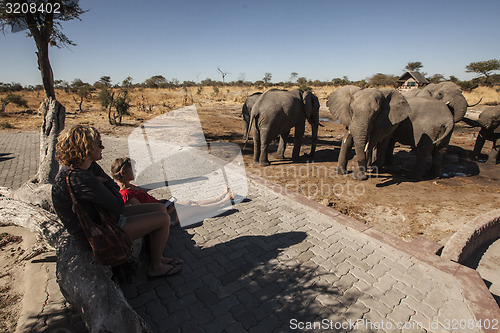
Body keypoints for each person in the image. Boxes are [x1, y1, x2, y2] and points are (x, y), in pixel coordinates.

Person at [51, 125, 182, 279]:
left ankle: (158, 258)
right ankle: (155, 267)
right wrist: (103, 185)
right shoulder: (79, 178)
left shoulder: (88, 167)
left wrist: (103, 185)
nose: (103, 147)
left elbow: (112, 186)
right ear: (86, 148)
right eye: (98, 144)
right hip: (99, 233)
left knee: (161, 208)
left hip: (106, 218)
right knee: (164, 218)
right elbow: (118, 204)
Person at [111, 157, 234, 225]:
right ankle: (224, 201)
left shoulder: (129, 186)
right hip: (166, 215)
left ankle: (221, 197)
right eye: (133, 169)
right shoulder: (126, 196)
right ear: (123, 173)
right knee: (195, 208)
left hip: (163, 206)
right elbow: (145, 215)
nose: (136, 171)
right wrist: (168, 209)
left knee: (191, 202)